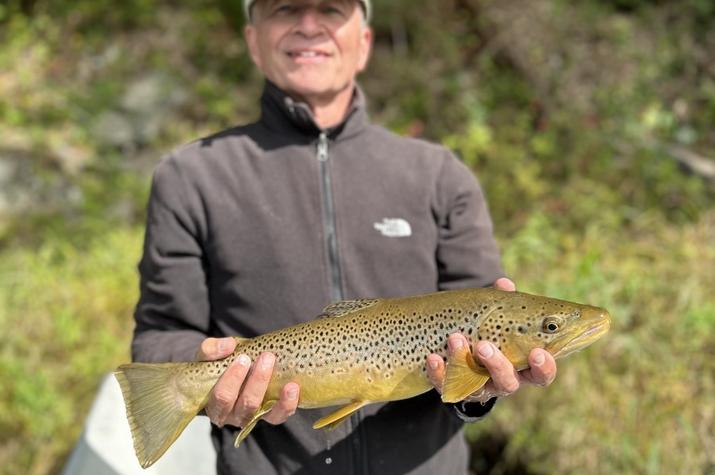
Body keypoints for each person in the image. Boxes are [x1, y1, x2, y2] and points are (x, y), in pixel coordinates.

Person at [131, 1, 558, 473]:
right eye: (285, 8)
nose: (309, 26)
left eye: (331, 9)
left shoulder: (440, 176)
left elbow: (485, 323)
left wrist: (478, 392)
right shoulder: (190, 177)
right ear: (253, 40)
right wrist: (203, 371)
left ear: (365, 43)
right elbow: (160, 334)